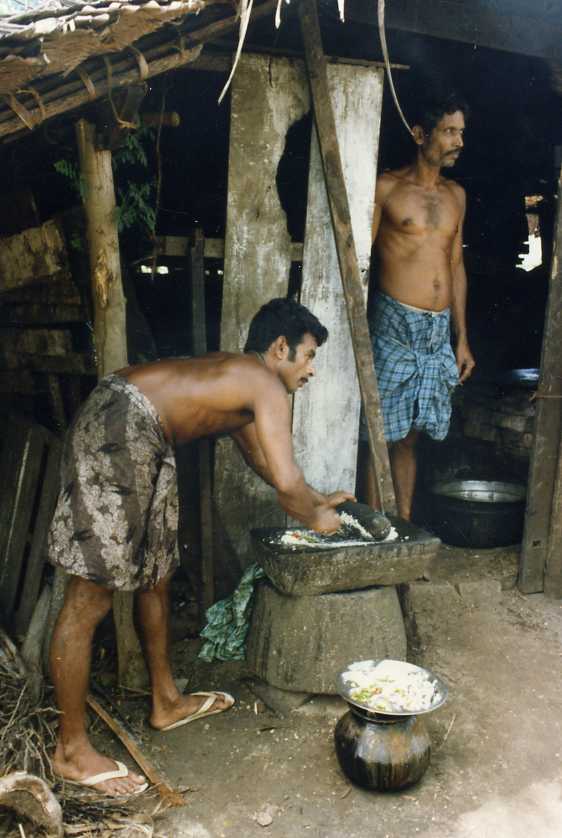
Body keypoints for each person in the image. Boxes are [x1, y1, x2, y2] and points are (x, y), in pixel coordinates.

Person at [48, 297, 354, 796]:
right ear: (281, 348)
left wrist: (320, 499)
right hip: (121, 425)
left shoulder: (243, 379)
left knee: (157, 574)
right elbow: (283, 482)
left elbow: (264, 463)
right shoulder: (264, 385)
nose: (312, 370)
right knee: (89, 598)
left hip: (143, 432)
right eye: (310, 355)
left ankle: (165, 700)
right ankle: (71, 751)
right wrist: (322, 519)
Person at [360, 89, 475, 520]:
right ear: (419, 133)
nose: (458, 142)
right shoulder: (387, 188)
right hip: (393, 324)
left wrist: (461, 337)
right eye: (448, 132)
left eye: (461, 132)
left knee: (410, 437)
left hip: (436, 331)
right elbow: (362, 261)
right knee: (381, 434)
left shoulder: (456, 196)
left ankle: (402, 525)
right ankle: (374, 528)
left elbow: (456, 265)